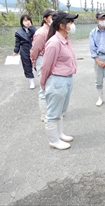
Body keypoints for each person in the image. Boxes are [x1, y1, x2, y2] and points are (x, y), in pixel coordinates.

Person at [40, 11, 79, 150]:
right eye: (70, 22)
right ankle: (53, 141)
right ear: (62, 25)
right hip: (57, 80)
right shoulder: (54, 43)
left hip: (67, 79)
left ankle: (60, 134)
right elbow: (45, 66)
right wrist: (43, 84)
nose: (72, 25)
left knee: (61, 110)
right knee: (53, 113)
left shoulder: (66, 40)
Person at [30, 8, 55, 122]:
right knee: (44, 88)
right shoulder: (41, 33)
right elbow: (35, 50)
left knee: (53, 87)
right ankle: (44, 115)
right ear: (45, 19)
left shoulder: (54, 30)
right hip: (43, 60)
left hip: (53, 60)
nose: (54, 19)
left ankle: (52, 111)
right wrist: (34, 61)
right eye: (51, 17)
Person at [13, 14, 37, 89]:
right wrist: (15, 51)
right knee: (27, 66)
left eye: (28, 20)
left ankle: (43, 80)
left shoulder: (34, 29)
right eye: (24, 20)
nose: (26, 22)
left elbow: (38, 36)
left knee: (38, 65)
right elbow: (17, 43)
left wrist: (31, 27)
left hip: (34, 49)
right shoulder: (19, 32)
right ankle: (31, 83)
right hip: (24, 50)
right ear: (22, 21)